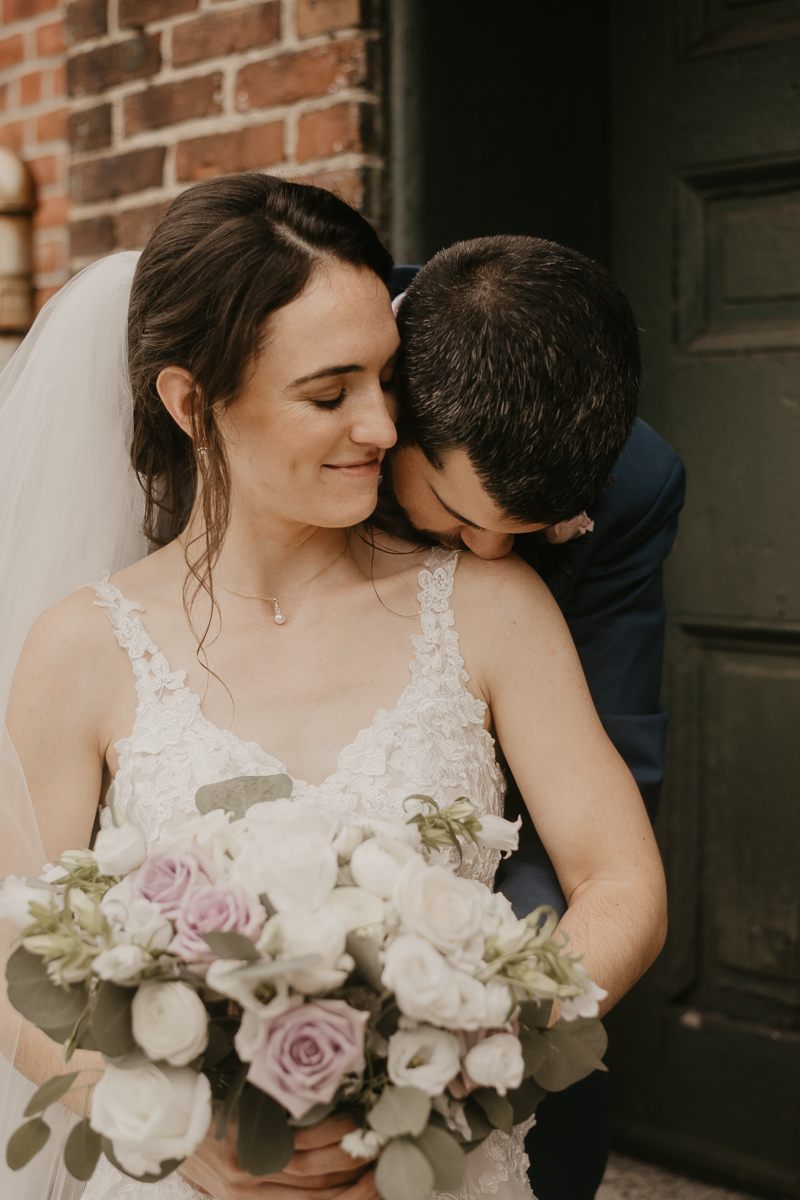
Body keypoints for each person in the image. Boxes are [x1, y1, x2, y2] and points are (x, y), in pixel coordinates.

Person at [0, 175, 667, 1200]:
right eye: (329, 392)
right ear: (191, 402)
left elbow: (619, 885)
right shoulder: (79, 648)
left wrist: (453, 1067)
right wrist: (164, 1117)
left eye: (388, 379)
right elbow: (13, 958)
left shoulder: (490, 604)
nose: (379, 426)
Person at [384, 239, 686, 1199]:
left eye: (522, 533)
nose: (484, 554)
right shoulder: (316, 354)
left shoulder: (635, 484)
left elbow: (612, 758)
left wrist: (492, 1007)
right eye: (453, 509)